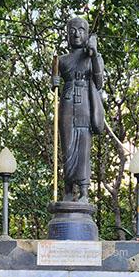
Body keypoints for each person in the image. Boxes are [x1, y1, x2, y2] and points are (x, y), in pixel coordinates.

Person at [52, 16, 105, 203]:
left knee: (83, 147)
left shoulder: (93, 58)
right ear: (67, 34)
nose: (76, 33)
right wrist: (55, 82)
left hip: (85, 105)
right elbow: (55, 84)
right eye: (72, 30)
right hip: (66, 104)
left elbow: (98, 83)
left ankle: (83, 191)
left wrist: (95, 54)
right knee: (67, 147)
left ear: (87, 34)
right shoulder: (62, 60)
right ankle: (67, 190)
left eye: (81, 30)